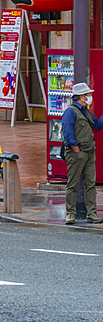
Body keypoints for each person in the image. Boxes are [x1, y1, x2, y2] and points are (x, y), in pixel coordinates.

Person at [62, 82, 103, 225]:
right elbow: (67, 132)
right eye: (88, 94)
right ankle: (70, 214)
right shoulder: (70, 112)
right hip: (77, 153)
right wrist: (75, 149)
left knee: (90, 184)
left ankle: (92, 214)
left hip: (89, 152)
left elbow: (97, 125)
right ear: (81, 96)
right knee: (72, 184)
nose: (90, 96)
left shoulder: (86, 111)